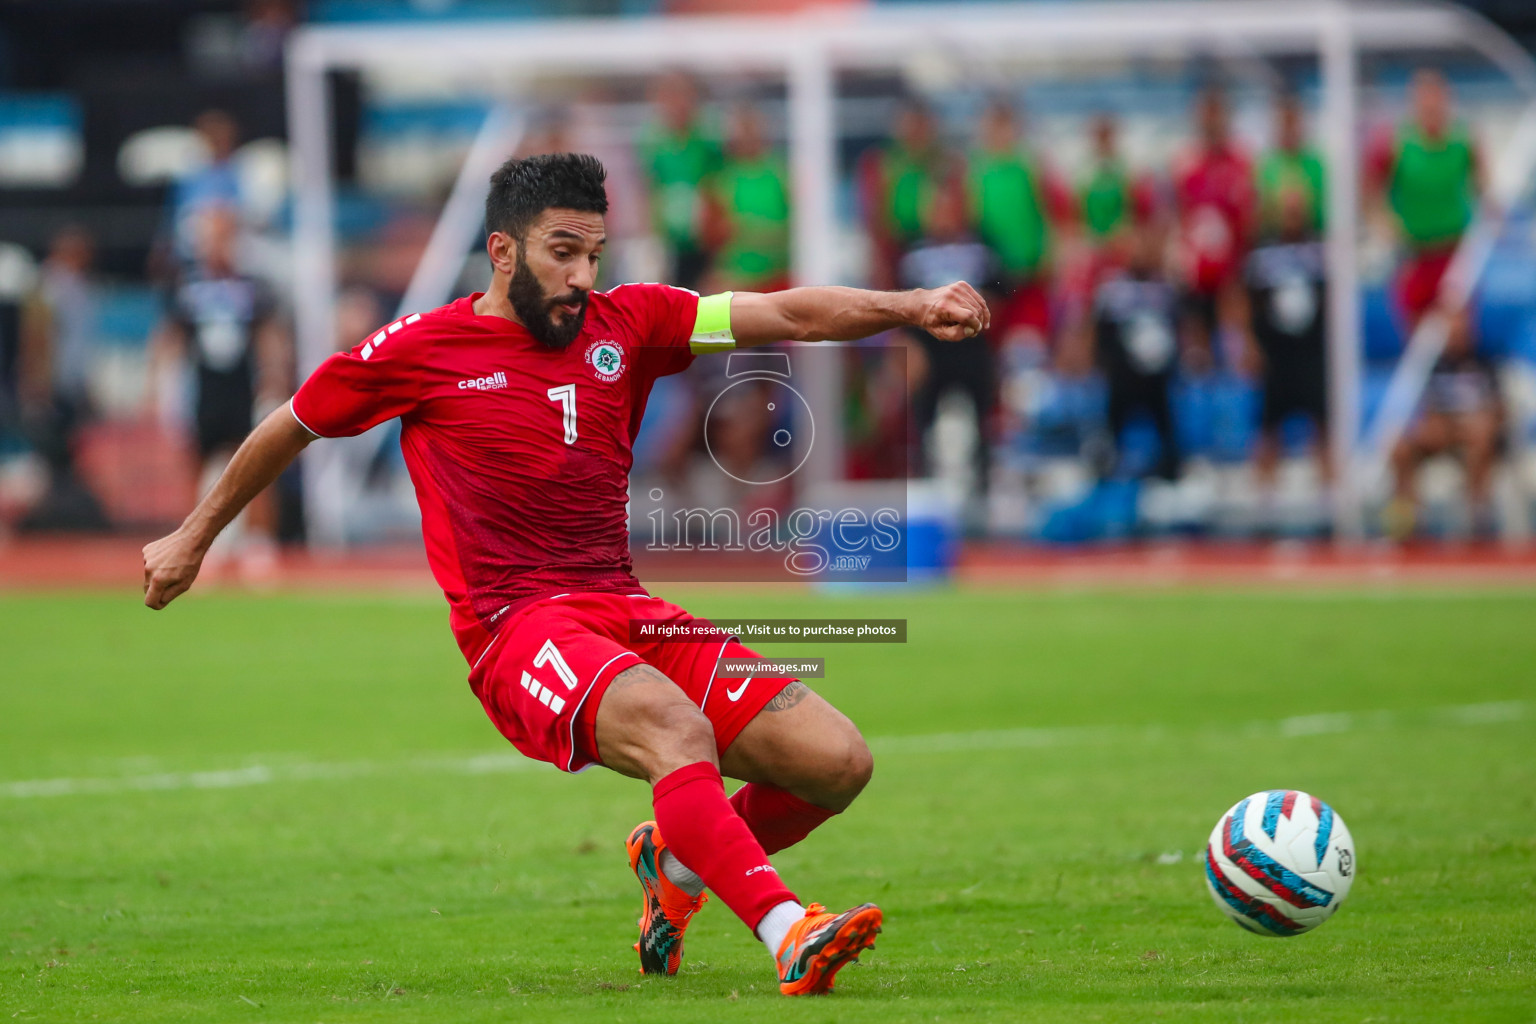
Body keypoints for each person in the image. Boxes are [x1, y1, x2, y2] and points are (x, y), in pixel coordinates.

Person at [141, 153, 990, 995]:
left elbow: (787, 313)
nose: (583, 275)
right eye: (562, 252)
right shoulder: (423, 347)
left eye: (595, 254)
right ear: (503, 251)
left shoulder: (630, 323)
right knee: (675, 731)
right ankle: (788, 930)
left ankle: (677, 868)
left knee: (836, 761)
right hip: (516, 627)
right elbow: (291, 423)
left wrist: (909, 304)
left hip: (623, 605)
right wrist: (193, 536)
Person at [149, 205, 288, 569]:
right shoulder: (186, 285)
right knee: (197, 466)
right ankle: (191, 544)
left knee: (257, 464)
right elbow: (170, 338)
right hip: (205, 390)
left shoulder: (252, 286)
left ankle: (258, 544)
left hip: (242, 387)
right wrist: (163, 388)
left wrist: (273, 381)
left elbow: (268, 336)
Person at [900, 184, 999, 493]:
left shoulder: (980, 247)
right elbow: (899, 303)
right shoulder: (914, 252)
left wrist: (972, 310)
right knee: (924, 419)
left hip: (972, 343)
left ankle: (983, 483)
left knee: (982, 416)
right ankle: (924, 481)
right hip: (930, 348)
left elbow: (1000, 293)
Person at [1370, 69, 1484, 332]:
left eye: (1436, 98)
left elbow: (1483, 188)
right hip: (1414, 253)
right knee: (1417, 339)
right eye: (1424, 99)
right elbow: (1372, 191)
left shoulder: (1464, 140)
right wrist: (1385, 223)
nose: (1431, 106)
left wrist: (1486, 219)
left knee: (1457, 333)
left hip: (1453, 251)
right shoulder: (1397, 142)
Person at [1073, 208, 1181, 482]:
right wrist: (1091, 359)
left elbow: (1181, 327)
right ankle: (1104, 483)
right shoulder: (1112, 288)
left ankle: (1169, 477)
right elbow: (1095, 327)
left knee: (1166, 430)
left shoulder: (1166, 286)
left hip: (1157, 377)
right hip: (1122, 376)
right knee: (1112, 430)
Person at [1240, 186, 1330, 499]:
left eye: (1298, 209)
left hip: (1312, 350)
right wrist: (1249, 344)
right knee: (1268, 426)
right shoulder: (1262, 252)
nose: (1293, 216)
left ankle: (1330, 495)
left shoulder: (1321, 248)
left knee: (1323, 424)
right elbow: (1243, 299)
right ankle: (1262, 499)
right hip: (1274, 351)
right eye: (1288, 209)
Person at [1387, 314, 1503, 540]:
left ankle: (1478, 519)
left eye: (1461, 329)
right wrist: (1436, 426)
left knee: (1480, 436)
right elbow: (1427, 409)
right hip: (1444, 432)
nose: (1456, 336)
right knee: (1400, 447)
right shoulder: (1435, 366)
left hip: (1475, 434)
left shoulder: (1486, 364)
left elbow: (1498, 410)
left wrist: (1472, 422)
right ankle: (1408, 522)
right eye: (1452, 330)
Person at [966, 99, 1062, 354]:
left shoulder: (1028, 166)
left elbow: (1047, 214)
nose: (998, 132)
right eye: (992, 125)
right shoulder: (975, 170)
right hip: (994, 275)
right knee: (991, 343)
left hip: (1029, 272)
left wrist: (1046, 257)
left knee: (1029, 345)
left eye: (1004, 125)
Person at [1172, 87, 1255, 370]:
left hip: (1232, 275)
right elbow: (1176, 215)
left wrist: (1240, 265)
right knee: (1198, 356)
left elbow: (1250, 217)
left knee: (1237, 353)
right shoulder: (1185, 165)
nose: (1210, 121)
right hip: (1195, 276)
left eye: (1215, 114)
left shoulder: (1241, 163)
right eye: (1205, 115)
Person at [638, 72, 723, 291]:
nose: (678, 104)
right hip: (668, 236)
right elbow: (649, 186)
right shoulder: (653, 140)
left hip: (702, 235)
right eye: (670, 97)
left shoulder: (707, 139)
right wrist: (650, 231)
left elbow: (716, 183)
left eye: (683, 96)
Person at [858, 98, 952, 291]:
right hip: (895, 245)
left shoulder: (942, 162)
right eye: (911, 124)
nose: (916, 132)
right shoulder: (885, 162)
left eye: (921, 125)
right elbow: (873, 211)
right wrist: (878, 256)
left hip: (928, 243)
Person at [703, 103, 791, 293]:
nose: (748, 137)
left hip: (779, 276)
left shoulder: (781, 173)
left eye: (752, 129)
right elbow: (709, 234)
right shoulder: (722, 178)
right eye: (742, 131)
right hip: (738, 279)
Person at [1257, 94, 1326, 239]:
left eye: (1293, 122)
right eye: (1284, 123)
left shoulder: (1316, 165)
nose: (1289, 129)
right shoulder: (1266, 167)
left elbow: (1324, 213)